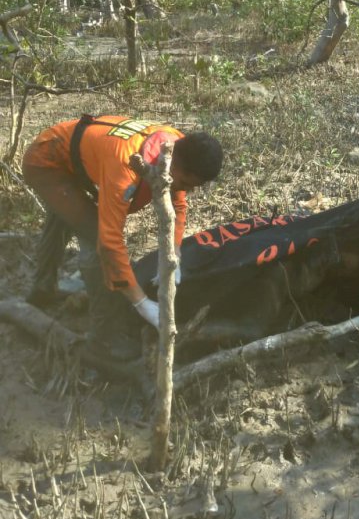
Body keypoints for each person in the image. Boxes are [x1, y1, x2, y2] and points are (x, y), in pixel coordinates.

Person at [22, 115, 223, 359]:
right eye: (185, 183)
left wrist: (175, 251)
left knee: (67, 213)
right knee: (94, 236)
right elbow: (109, 244)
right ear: (174, 166)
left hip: (71, 156)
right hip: (47, 162)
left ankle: (43, 288)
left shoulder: (175, 146)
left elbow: (178, 205)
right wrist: (141, 302)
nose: (188, 191)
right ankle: (104, 339)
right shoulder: (125, 170)